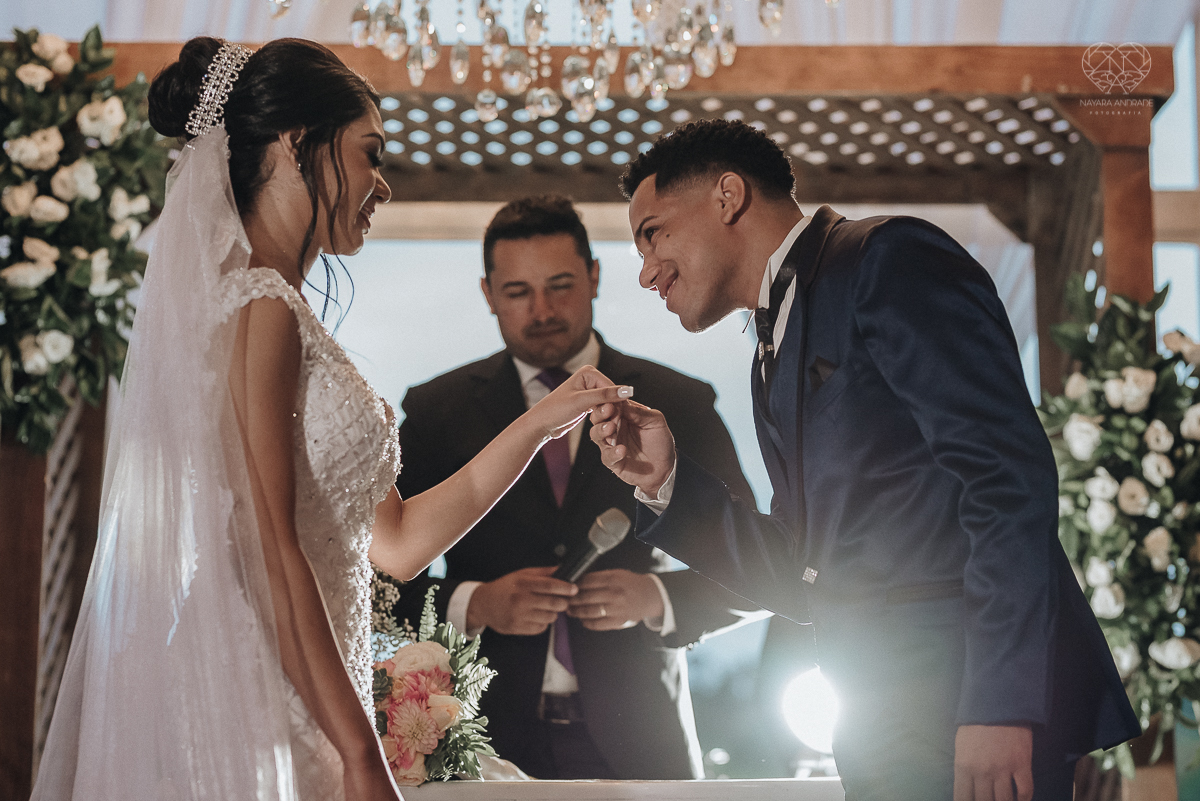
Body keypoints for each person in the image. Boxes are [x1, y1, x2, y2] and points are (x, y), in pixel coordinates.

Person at [30, 39, 631, 801]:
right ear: (296, 144)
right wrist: (358, 751)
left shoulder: (287, 313)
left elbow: (402, 543)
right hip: (263, 701)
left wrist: (544, 419)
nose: (381, 184)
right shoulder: (261, 305)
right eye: (368, 153)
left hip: (314, 691)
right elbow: (268, 549)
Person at [589, 119, 1141, 801]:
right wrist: (666, 482)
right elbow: (801, 571)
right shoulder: (767, 355)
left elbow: (1006, 478)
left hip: (967, 711)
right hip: (877, 724)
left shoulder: (888, 258)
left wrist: (999, 704)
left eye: (652, 233)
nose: (645, 271)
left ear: (727, 195)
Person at [390, 195, 764, 780]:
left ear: (594, 277)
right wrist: (475, 603)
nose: (542, 310)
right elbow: (374, 585)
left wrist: (655, 598)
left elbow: (759, 564)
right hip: (479, 745)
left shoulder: (681, 403)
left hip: (645, 747)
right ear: (488, 294)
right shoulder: (436, 413)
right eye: (518, 292)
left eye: (560, 285)